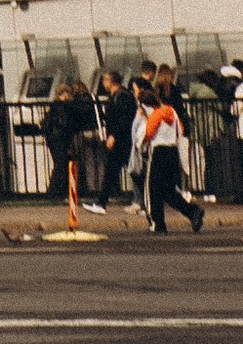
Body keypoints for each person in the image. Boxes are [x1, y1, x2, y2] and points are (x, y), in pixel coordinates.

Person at [138, 76, 205, 237]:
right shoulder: (172, 112)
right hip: (172, 151)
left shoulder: (154, 115)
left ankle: (157, 224)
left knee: (152, 190)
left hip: (158, 152)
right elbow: (180, 130)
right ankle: (192, 211)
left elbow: (147, 135)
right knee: (168, 190)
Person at [41, 76, 101, 214]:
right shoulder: (62, 106)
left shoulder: (54, 106)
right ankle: (56, 192)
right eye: (67, 93)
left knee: (61, 164)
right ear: (64, 94)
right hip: (60, 139)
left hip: (54, 139)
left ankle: (57, 191)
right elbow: (64, 124)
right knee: (62, 164)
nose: (70, 96)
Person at [95, 70, 136, 210]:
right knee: (117, 171)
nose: (103, 84)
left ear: (110, 81)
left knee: (115, 171)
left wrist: (113, 135)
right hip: (122, 140)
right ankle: (101, 202)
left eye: (104, 81)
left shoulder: (121, 97)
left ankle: (102, 203)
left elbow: (123, 120)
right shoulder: (119, 96)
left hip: (122, 141)